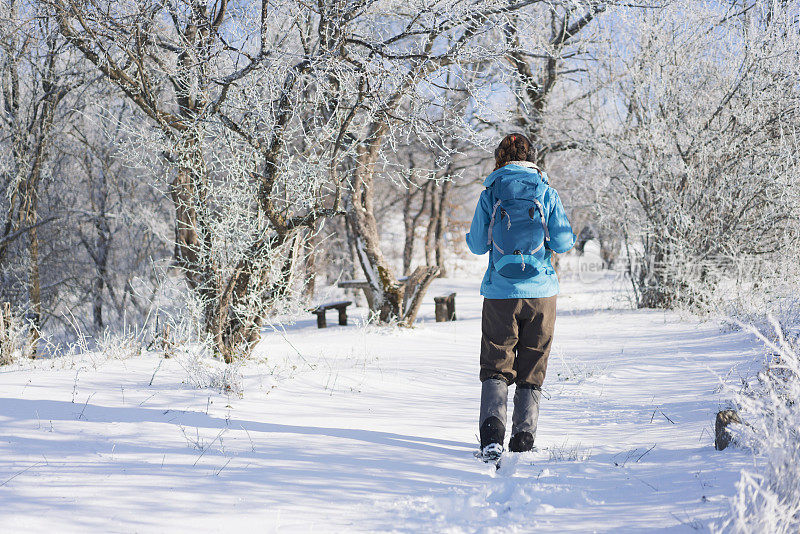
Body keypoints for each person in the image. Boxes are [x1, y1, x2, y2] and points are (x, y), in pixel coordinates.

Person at [466, 133, 576, 462]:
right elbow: (563, 242)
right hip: (542, 293)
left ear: (500, 158)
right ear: (532, 157)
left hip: (500, 292)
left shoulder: (490, 193)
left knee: (497, 363)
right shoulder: (547, 192)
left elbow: (476, 245)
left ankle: (492, 436)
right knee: (533, 364)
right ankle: (524, 436)